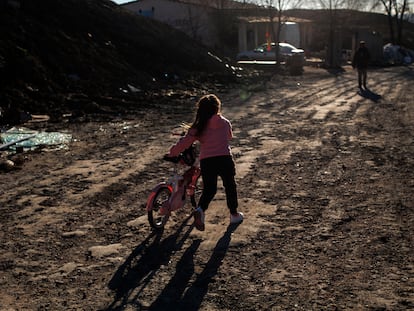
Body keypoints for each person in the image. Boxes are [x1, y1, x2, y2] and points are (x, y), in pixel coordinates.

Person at [167, 94, 243, 231]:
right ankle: (234, 214)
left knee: (209, 189)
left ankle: (200, 210)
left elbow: (184, 143)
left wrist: (172, 153)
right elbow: (229, 136)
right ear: (217, 108)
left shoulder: (198, 127)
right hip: (225, 159)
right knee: (230, 186)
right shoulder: (225, 122)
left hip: (207, 161)